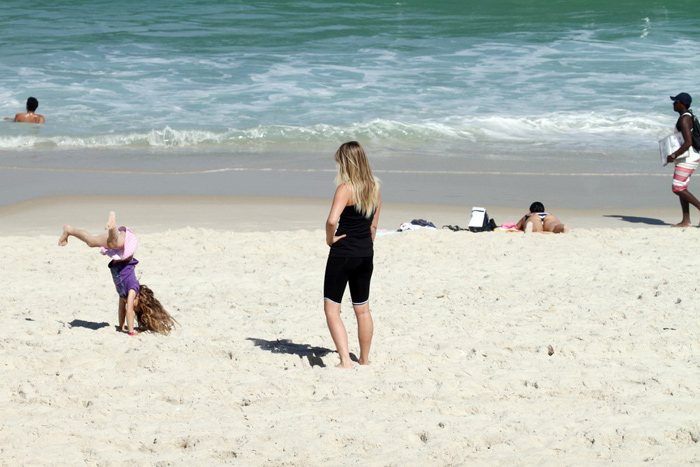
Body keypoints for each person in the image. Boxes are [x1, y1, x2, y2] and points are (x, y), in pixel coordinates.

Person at [58, 211, 177, 336]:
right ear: (140, 299)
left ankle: (69, 230)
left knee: (91, 241)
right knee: (114, 243)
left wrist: (122, 326)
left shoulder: (123, 294)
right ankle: (112, 226)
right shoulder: (132, 289)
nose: (130, 305)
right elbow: (129, 311)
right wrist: (131, 332)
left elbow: (122, 310)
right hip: (126, 249)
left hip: (119, 252)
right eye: (136, 306)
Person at [324, 141, 381, 368]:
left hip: (343, 253)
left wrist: (330, 239)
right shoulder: (375, 187)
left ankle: (345, 361)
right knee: (363, 309)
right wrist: (365, 246)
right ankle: (365, 360)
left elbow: (331, 220)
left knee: (332, 308)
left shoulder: (345, 188)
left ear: (345, 163)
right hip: (365, 253)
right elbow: (373, 227)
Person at [666, 92, 700, 227]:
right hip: (687, 156)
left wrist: (672, 155)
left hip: (688, 157)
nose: (674, 104)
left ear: (683, 104)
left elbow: (688, 142)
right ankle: (686, 220)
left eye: (676, 102)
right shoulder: (686, 117)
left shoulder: (684, 119)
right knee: (682, 188)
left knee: (677, 188)